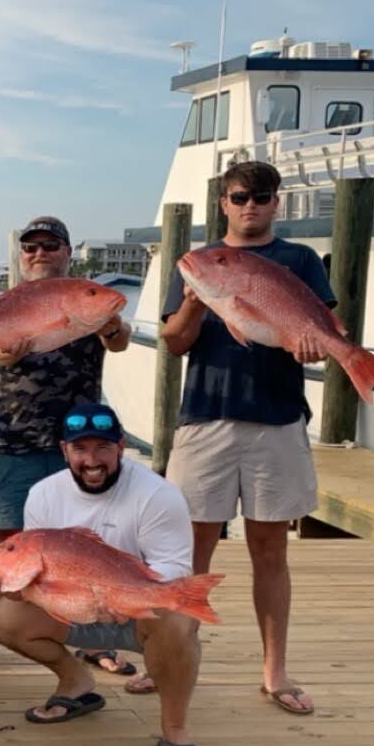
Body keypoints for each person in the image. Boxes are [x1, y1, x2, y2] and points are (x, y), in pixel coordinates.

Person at [156, 160, 333, 716]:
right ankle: (171, 657)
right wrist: (192, 298)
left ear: (276, 202)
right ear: (224, 203)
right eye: (239, 197)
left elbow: (321, 331)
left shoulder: (300, 260)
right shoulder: (200, 263)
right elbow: (174, 343)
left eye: (261, 196)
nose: (249, 205)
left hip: (277, 420)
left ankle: (274, 669)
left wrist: (317, 345)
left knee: (269, 548)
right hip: (206, 419)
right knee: (191, 548)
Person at [0, 216, 132, 672]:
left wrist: (109, 325)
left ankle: (93, 638)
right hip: (13, 435)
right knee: (0, 535)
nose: (39, 253)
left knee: (86, 543)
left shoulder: (88, 297)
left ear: (68, 252)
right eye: (30, 247)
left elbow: (120, 341)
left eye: (51, 245)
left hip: (77, 444)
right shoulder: (7, 301)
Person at [0, 402, 204, 746]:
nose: (92, 460)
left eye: (103, 448)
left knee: (179, 618)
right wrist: (13, 587)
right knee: (4, 617)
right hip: (73, 603)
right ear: (64, 451)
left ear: (121, 447)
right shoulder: (43, 494)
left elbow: (174, 567)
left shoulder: (158, 494)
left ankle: (175, 729)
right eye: (80, 449)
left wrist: (127, 594)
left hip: (137, 609)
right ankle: (76, 682)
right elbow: (37, 576)